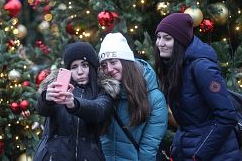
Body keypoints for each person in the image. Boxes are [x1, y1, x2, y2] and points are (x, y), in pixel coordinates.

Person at [154, 13, 241, 160]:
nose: (160, 43)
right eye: (158, 37)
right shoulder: (174, 66)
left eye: (167, 38)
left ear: (181, 40)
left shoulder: (202, 68)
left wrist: (200, 154)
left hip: (218, 155)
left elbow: (227, 117)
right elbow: (188, 123)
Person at [33, 42, 120, 161]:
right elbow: (41, 110)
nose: (80, 71)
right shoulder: (57, 85)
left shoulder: (104, 89)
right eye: (74, 67)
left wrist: (74, 104)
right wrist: (46, 99)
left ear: (93, 67)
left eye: (85, 65)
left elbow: (99, 110)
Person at [98, 32, 168, 161]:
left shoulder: (154, 98)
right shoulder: (104, 93)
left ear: (126, 61)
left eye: (113, 62)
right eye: (104, 65)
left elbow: (149, 148)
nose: (109, 69)